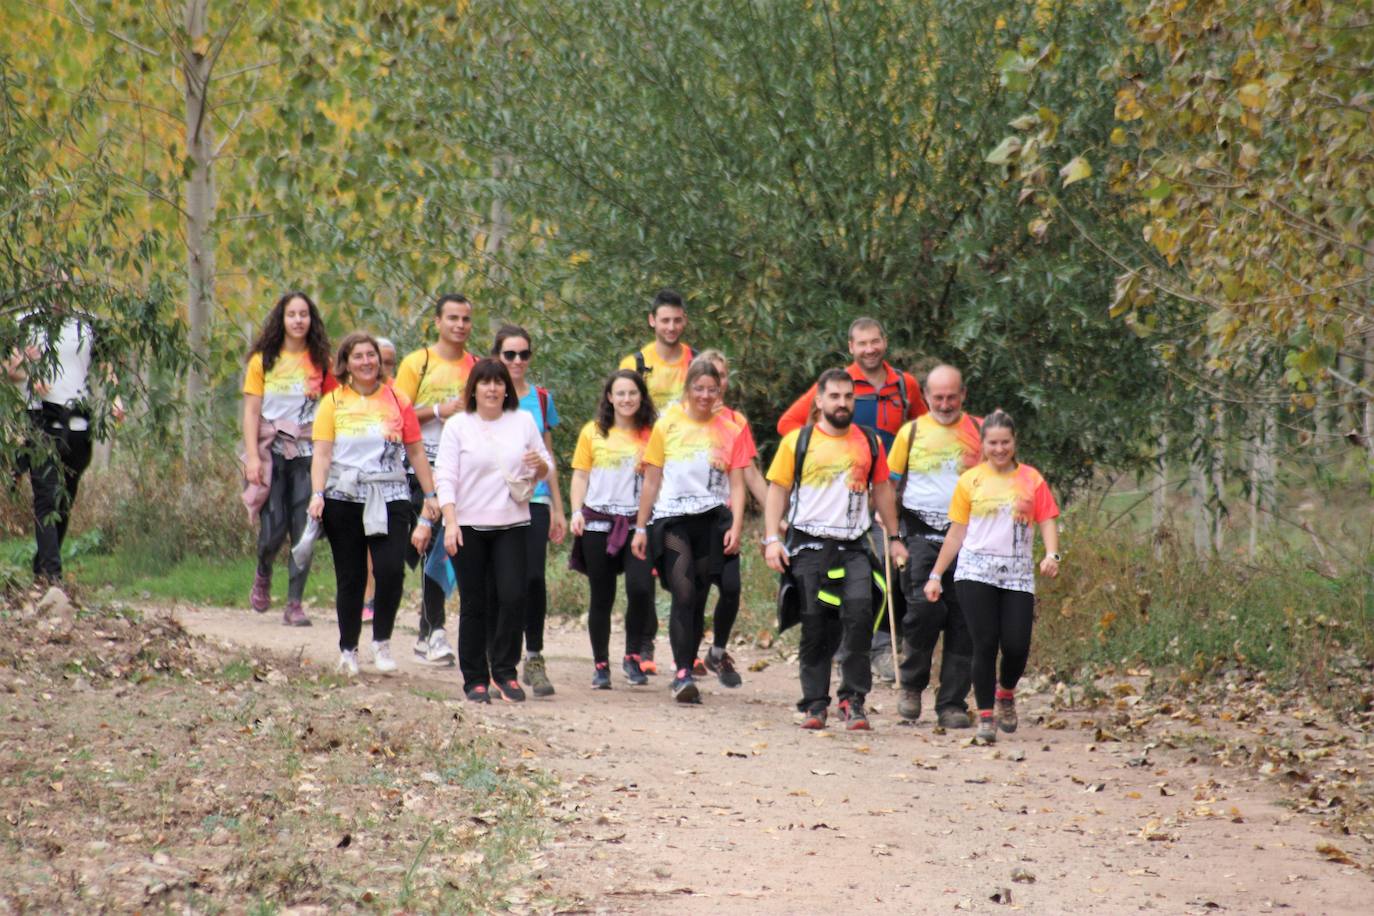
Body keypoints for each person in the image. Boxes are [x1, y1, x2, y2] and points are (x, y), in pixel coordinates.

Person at [776, 317, 928, 682]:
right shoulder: (837, 384)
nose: (869, 349)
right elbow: (787, 425)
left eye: (875, 342)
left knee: (892, 572)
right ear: (851, 347)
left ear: (885, 342)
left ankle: (878, 648)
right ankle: (854, 651)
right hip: (847, 496)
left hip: (892, 490)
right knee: (854, 574)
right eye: (862, 344)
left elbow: (924, 429)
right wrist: (827, 457)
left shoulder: (904, 386)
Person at [764, 369, 906, 730]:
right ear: (820, 400)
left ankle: (853, 699)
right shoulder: (798, 441)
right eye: (835, 396)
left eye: (848, 396)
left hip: (854, 546)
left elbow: (883, 491)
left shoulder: (869, 442)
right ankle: (814, 703)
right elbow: (778, 489)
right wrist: (770, 538)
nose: (842, 403)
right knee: (817, 624)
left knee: (859, 617)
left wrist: (893, 538)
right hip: (809, 546)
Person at [923, 409, 1061, 745]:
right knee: (983, 643)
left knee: (1016, 644)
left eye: (1006, 443)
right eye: (993, 443)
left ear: (1014, 443)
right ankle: (985, 715)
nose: (1000, 449)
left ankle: (1006, 693)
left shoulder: (1032, 480)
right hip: (974, 572)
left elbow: (1046, 518)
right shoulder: (970, 481)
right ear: (983, 445)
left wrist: (1051, 554)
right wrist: (936, 575)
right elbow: (956, 532)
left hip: (1017, 574)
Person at [308, 332, 439, 676]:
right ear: (346, 363)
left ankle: (382, 641)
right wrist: (317, 494)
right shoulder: (333, 403)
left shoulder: (398, 400)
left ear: (379, 363)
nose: (367, 362)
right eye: (359, 356)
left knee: (390, 570)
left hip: (390, 496)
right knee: (350, 577)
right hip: (344, 498)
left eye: (372, 356)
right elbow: (321, 453)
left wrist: (431, 495)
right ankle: (348, 649)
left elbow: (415, 450)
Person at [631, 358, 749, 704]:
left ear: (719, 391)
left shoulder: (732, 429)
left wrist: (737, 526)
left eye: (712, 389)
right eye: (699, 388)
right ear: (688, 388)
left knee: (698, 598)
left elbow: (738, 484)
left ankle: (690, 660)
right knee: (683, 593)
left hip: (713, 520)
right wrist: (641, 527)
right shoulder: (666, 425)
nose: (705, 395)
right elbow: (651, 480)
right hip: (672, 520)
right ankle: (683, 674)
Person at [433, 358, 551, 704]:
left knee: (513, 596)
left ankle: (504, 671)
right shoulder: (458, 426)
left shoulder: (523, 421)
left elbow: (545, 466)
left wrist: (538, 465)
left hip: (511, 523)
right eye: (485, 383)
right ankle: (475, 678)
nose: (492, 388)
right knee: (475, 602)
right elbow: (446, 476)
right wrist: (450, 521)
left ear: (506, 389)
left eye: (499, 383)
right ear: (474, 388)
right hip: (468, 524)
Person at [886, 365, 982, 727]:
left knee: (965, 620)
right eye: (938, 397)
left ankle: (952, 703)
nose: (945, 404)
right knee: (923, 611)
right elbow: (889, 484)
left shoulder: (979, 432)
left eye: (951, 397)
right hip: (920, 533)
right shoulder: (910, 433)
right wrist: (891, 529)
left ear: (963, 395)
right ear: (925, 397)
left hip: (970, 538)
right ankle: (911, 685)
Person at [5, 295, 123, 586]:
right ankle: (52, 576)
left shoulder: (90, 324)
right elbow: (9, 370)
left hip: (78, 421)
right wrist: (27, 373)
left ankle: (41, 570)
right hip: (41, 420)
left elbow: (107, 368)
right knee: (46, 498)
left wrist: (115, 399)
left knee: (63, 500)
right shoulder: (26, 322)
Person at [240, 291, 336, 627]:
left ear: (312, 320)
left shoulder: (322, 361)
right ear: (281, 319)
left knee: (304, 528)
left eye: (304, 314)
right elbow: (251, 411)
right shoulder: (263, 360)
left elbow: (332, 407)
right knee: (273, 530)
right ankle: (263, 569)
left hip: (309, 454)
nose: (298, 320)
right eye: (292, 314)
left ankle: (294, 603)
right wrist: (252, 457)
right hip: (272, 453)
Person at [394, 294, 476, 664]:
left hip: (460, 469)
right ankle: (433, 631)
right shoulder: (418, 362)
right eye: (453, 318)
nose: (460, 325)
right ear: (438, 322)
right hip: (419, 467)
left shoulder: (476, 366)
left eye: (466, 319)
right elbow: (399, 415)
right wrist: (442, 410)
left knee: (443, 548)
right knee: (427, 546)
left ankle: (431, 632)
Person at [568, 370, 657, 688]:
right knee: (601, 596)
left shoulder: (652, 434)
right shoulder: (592, 433)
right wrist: (576, 511)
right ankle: (600, 664)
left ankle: (633, 657)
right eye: (620, 393)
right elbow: (580, 475)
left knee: (640, 590)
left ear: (641, 396)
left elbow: (659, 479)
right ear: (609, 397)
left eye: (632, 393)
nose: (626, 399)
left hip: (638, 524)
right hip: (597, 522)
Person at [493, 324, 568, 697]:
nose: (517, 361)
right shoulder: (488, 396)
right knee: (501, 582)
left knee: (534, 579)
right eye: (510, 354)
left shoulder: (540, 399)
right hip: (494, 501)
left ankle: (534, 657)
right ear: (497, 357)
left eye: (524, 354)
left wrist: (558, 506)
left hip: (535, 498)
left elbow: (548, 455)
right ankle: (497, 656)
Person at [362, 336, 398, 624]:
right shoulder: (348, 396)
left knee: (384, 548)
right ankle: (366, 597)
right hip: (357, 483)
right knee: (363, 546)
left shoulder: (399, 395)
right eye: (379, 361)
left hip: (394, 481)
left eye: (389, 363)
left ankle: (378, 598)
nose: (383, 368)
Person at [619, 288, 693, 412]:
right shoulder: (633, 365)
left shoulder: (697, 361)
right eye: (665, 320)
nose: (671, 327)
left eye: (677, 320)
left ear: (684, 320)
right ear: (652, 320)